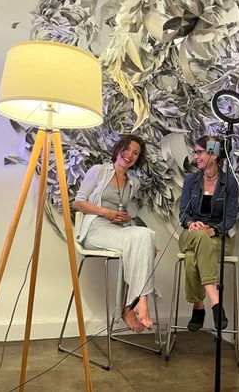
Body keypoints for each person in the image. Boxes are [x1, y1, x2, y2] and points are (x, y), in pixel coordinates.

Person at [74, 134, 155, 333]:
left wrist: (125, 217)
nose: (129, 155)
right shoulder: (99, 171)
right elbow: (79, 202)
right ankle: (137, 303)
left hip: (117, 230)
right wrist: (106, 212)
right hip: (95, 229)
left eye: (135, 153)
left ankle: (134, 304)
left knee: (147, 235)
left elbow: (125, 211)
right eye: (127, 149)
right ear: (119, 149)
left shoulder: (133, 183)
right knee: (144, 241)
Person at [179, 135, 238, 332]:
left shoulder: (229, 183)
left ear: (213, 153)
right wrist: (191, 223)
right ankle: (216, 303)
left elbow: (230, 218)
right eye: (195, 152)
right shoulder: (191, 181)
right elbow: (183, 213)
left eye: (199, 152)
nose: (195, 157)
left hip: (217, 238)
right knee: (200, 237)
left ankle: (198, 306)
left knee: (191, 257)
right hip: (191, 235)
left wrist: (213, 229)